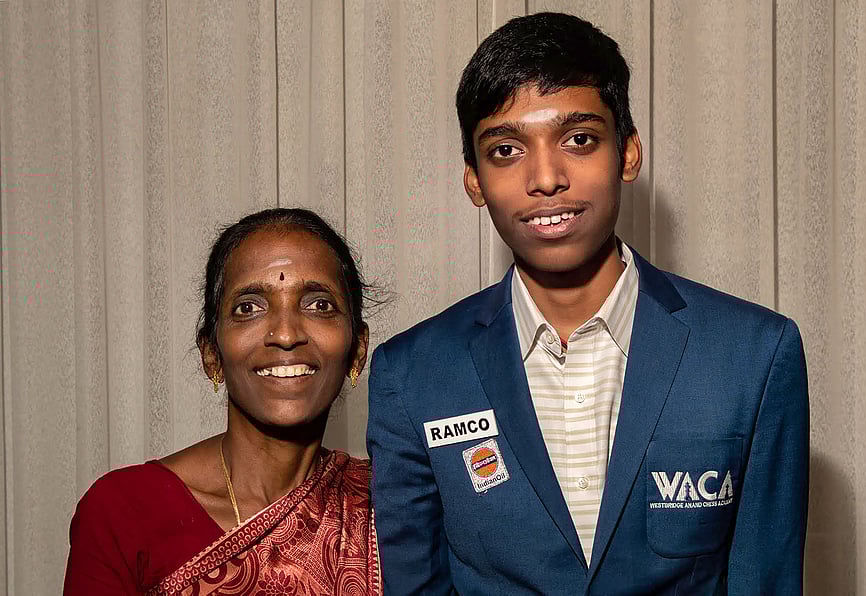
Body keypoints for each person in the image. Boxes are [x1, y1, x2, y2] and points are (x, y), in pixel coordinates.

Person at [367, 12, 808, 595]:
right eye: (505, 150)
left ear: (628, 153)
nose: (546, 178)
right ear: (473, 179)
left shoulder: (753, 355)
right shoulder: (412, 374)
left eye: (578, 139)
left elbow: (767, 579)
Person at [65, 208, 381, 595]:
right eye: (248, 308)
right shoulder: (125, 512)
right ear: (211, 354)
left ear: (358, 349)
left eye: (319, 305)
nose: (285, 334)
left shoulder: (388, 506)